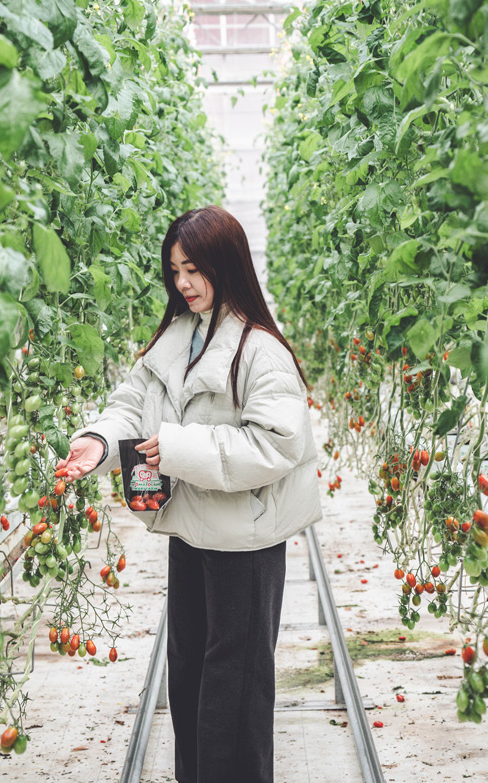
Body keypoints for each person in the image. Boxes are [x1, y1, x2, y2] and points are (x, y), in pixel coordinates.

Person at [62, 205, 323, 783]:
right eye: (176, 270)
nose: (183, 283)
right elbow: (131, 406)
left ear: (226, 266)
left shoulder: (261, 351)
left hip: (245, 541)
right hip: (190, 529)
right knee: (188, 671)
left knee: (235, 678)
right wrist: (97, 443)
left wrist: (176, 449)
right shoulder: (176, 338)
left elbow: (276, 445)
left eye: (195, 270)